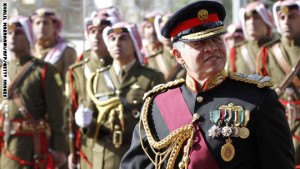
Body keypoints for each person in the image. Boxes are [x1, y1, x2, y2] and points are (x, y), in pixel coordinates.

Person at [120, 1, 295, 169]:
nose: (212, 48)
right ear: (178, 55)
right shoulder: (157, 105)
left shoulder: (258, 99)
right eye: (199, 43)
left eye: (217, 39)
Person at [74, 22, 165, 169]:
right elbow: (91, 128)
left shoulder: (152, 78)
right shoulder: (97, 78)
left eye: (123, 38)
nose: (117, 43)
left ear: (135, 43)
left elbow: (159, 123)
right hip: (103, 156)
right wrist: (86, 124)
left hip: (136, 155)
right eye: (112, 39)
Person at [0, 15, 66, 169]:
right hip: (6, 147)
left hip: (33, 147)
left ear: (29, 36)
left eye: (18, 33)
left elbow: (57, 115)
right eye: (9, 33)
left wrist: (59, 149)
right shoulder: (3, 70)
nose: (12, 37)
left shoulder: (43, 70)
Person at [65, 11, 115, 169]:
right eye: (92, 31)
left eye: (102, 32)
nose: (96, 36)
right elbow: (70, 112)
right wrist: (71, 149)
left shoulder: (118, 65)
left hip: (114, 144)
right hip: (87, 143)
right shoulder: (77, 71)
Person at [257, 0, 300, 165]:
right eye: (282, 17)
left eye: (292, 17)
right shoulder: (267, 53)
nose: (286, 22)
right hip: (278, 125)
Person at [31, 8, 77, 85]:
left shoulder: (66, 51)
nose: (41, 27)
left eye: (46, 23)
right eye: (38, 23)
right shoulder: (28, 50)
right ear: (32, 26)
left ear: (55, 26)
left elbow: (69, 84)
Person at [227, 1, 274, 74]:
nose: (252, 22)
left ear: (266, 22)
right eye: (248, 18)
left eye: (256, 18)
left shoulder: (276, 48)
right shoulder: (236, 51)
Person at [151, 13, 186, 81]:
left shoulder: (188, 54)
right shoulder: (152, 60)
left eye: (171, 30)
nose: (166, 34)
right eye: (163, 30)